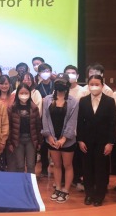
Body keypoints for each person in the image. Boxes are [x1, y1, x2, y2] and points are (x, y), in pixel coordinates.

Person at [77, 75, 116, 206]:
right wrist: (80, 140)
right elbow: (80, 123)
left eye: (97, 84)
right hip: (86, 142)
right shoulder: (83, 101)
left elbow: (113, 123)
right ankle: (89, 194)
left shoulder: (110, 101)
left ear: (102, 85)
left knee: (101, 169)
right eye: (91, 84)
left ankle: (100, 195)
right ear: (88, 86)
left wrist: (110, 143)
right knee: (87, 169)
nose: (94, 86)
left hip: (103, 142)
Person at [41, 73, 78, 203]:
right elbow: (45, 119)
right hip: (52, 139)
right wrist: (49, 136)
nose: (60, 85)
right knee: (56, 165)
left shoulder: (74, 101)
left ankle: (65, 190)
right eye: (58, 82)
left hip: (67, 141)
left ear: (67, 84)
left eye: (62, 82)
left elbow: (72, 122)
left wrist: (64, 139)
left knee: (67, 165)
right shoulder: (47, 99)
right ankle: (57, 187)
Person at [7, 83, 42, 173]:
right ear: (17, 94)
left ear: (29, 94)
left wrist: (39, 141)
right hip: (17, 141)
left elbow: (38, 126)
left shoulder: (34, 108)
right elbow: (9, 127)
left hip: (31, 140)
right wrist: (9, 143)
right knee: (20, 165)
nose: (24, 95)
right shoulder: (12, 108)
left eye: (26, 93)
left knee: (31, 165)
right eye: (21, 93)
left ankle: (30, 185)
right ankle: (20, 185)